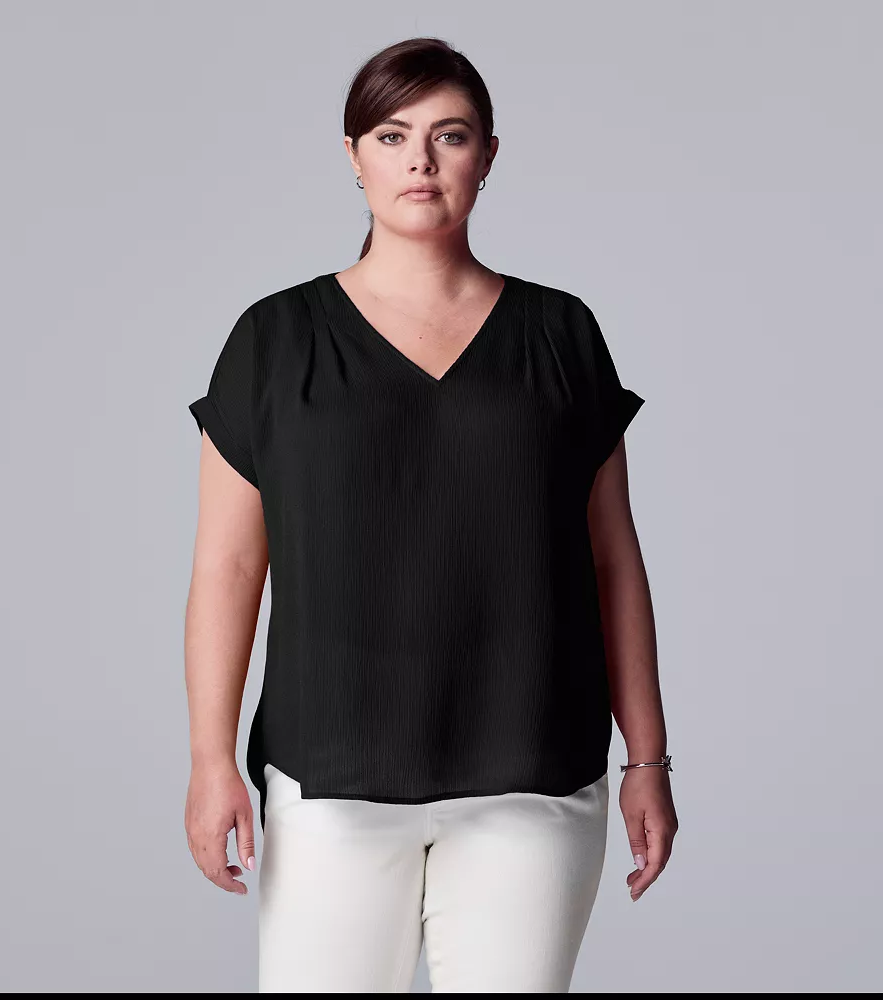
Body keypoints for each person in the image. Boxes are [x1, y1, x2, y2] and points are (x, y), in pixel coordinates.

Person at [184, 36, 678, 994]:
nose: (419, 159)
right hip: (329, 777)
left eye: (449, 135)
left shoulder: (561, 334)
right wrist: (211, 761)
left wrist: (647, 760)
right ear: (353, 155)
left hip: (533, 770)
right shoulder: (274, 341)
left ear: (487, 155)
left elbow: (613, 559)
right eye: (391, 134)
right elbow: (228, 567)